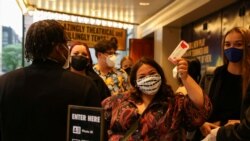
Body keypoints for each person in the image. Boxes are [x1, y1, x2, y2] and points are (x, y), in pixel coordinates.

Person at [0, 20, 102, 141]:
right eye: (66, 43)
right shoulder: (85, 86)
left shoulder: (4, 83)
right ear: (58, 48)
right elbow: (93, 134)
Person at [101, 57, 212, 140]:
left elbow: (202, 107)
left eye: (152, 73)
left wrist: (185, 76)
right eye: (142, 77)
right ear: (135, 82)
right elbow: (97, 123)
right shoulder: (118, 101)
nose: (148, 78)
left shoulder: (174, 103)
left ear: (161, 76)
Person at [201, 27, 250, 141]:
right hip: (211, 136)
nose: (232, 48)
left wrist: (241, 125)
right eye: (227, 44)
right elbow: (198, 109)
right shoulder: (212, 75)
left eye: (238, 44)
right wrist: (202, 124)